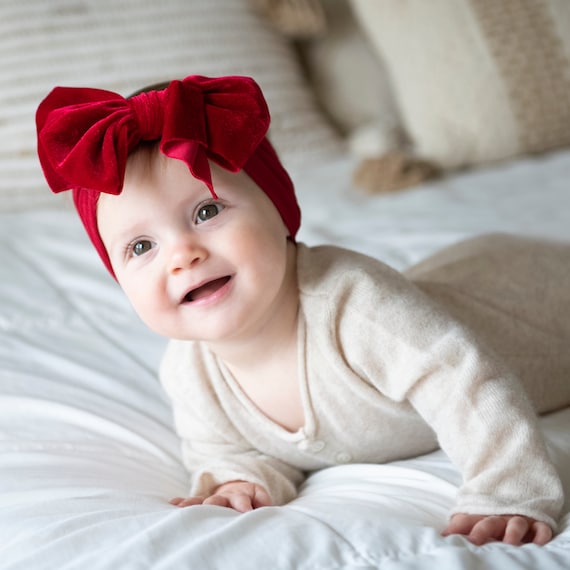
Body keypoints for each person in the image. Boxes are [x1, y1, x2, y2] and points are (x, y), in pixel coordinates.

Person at [36, 75, 570, 547]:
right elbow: (230, 449)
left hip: (535, 296)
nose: (182, 255)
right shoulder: (190, 373)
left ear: (281, 210)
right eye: (140, 247)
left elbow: (464, 381)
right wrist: (242, 478)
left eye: (206, 210)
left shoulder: (356, 307)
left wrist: (506, 490)